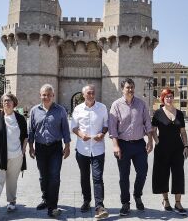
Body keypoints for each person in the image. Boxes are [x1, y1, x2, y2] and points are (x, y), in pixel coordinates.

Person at [109, 78, 153, 216]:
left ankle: (137, 195)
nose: (130, 90)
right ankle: (125, 203)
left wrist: (150, 141)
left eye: (132, 87)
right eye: (128, 87)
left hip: (139, 144)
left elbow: (148, 123)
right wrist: (115, 146)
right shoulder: (116, 105)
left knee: (142, 172)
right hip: (123, 145)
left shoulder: (141, 104)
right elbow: (112, 128)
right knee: (124, 176)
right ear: (122, 89)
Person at [28, 84, 71, 218]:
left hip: (55, 148)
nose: (46, 97)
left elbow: (65, 129)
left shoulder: (60, 110)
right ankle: (45, 198)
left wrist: (67, 146)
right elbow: (31, 130)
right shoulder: (34, 110)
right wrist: (30, 146)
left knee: (54, 176)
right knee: (43, 176)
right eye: (44, 95)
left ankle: (52, 207)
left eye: (49, 94)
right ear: (40, 95)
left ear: (53, 95)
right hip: (40, 147)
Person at [0, 92, 27, 220]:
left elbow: (25, 136)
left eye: (9, 100)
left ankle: (11, 201)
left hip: (16, 156)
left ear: (14, 103)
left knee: (12, 181)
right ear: (1, 104)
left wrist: (22, 151)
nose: (6, 103)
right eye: (4, 101)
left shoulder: (20, 119)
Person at [71, 84, 109, 219]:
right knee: (84, 176)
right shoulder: (77, 109)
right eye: (89, 93)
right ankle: (86, 201)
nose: (91, 95)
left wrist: (102, 134)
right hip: (82, 149)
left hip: (98, 149)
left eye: (93, 93)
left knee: (98, 177)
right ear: (83, 95)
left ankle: (99, 206)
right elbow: (74, 127)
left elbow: (106, 124)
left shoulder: (102, 108)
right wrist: (81, 135)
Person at [151, 88, 188, 215]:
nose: (169, 98)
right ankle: (165, 200)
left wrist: (186, 146)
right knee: (163, 174)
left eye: (171, 96)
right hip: (162, 149)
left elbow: (183, 132)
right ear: (163, 98)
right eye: (166, 97)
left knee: (178, 174)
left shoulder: (179, 113)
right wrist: (157, 142)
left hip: (177, 149)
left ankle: (178, 203)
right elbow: (153, 130)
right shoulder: (158, 113)